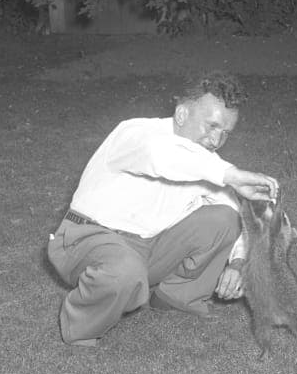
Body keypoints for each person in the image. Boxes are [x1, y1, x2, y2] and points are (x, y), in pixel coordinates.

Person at [46, 71, 279, 347]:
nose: (216, 140)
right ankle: (81, 331)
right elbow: (161, 156)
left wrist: (239, 263)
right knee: (124, 270)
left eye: (225, 133)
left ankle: (176, 299)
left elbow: (236, 214)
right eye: (211, 126)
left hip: (144, 248)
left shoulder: (209, 164)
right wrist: (230, 174)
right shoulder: (136, 133)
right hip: (85, 240)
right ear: (181, 115)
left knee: (224, 218)